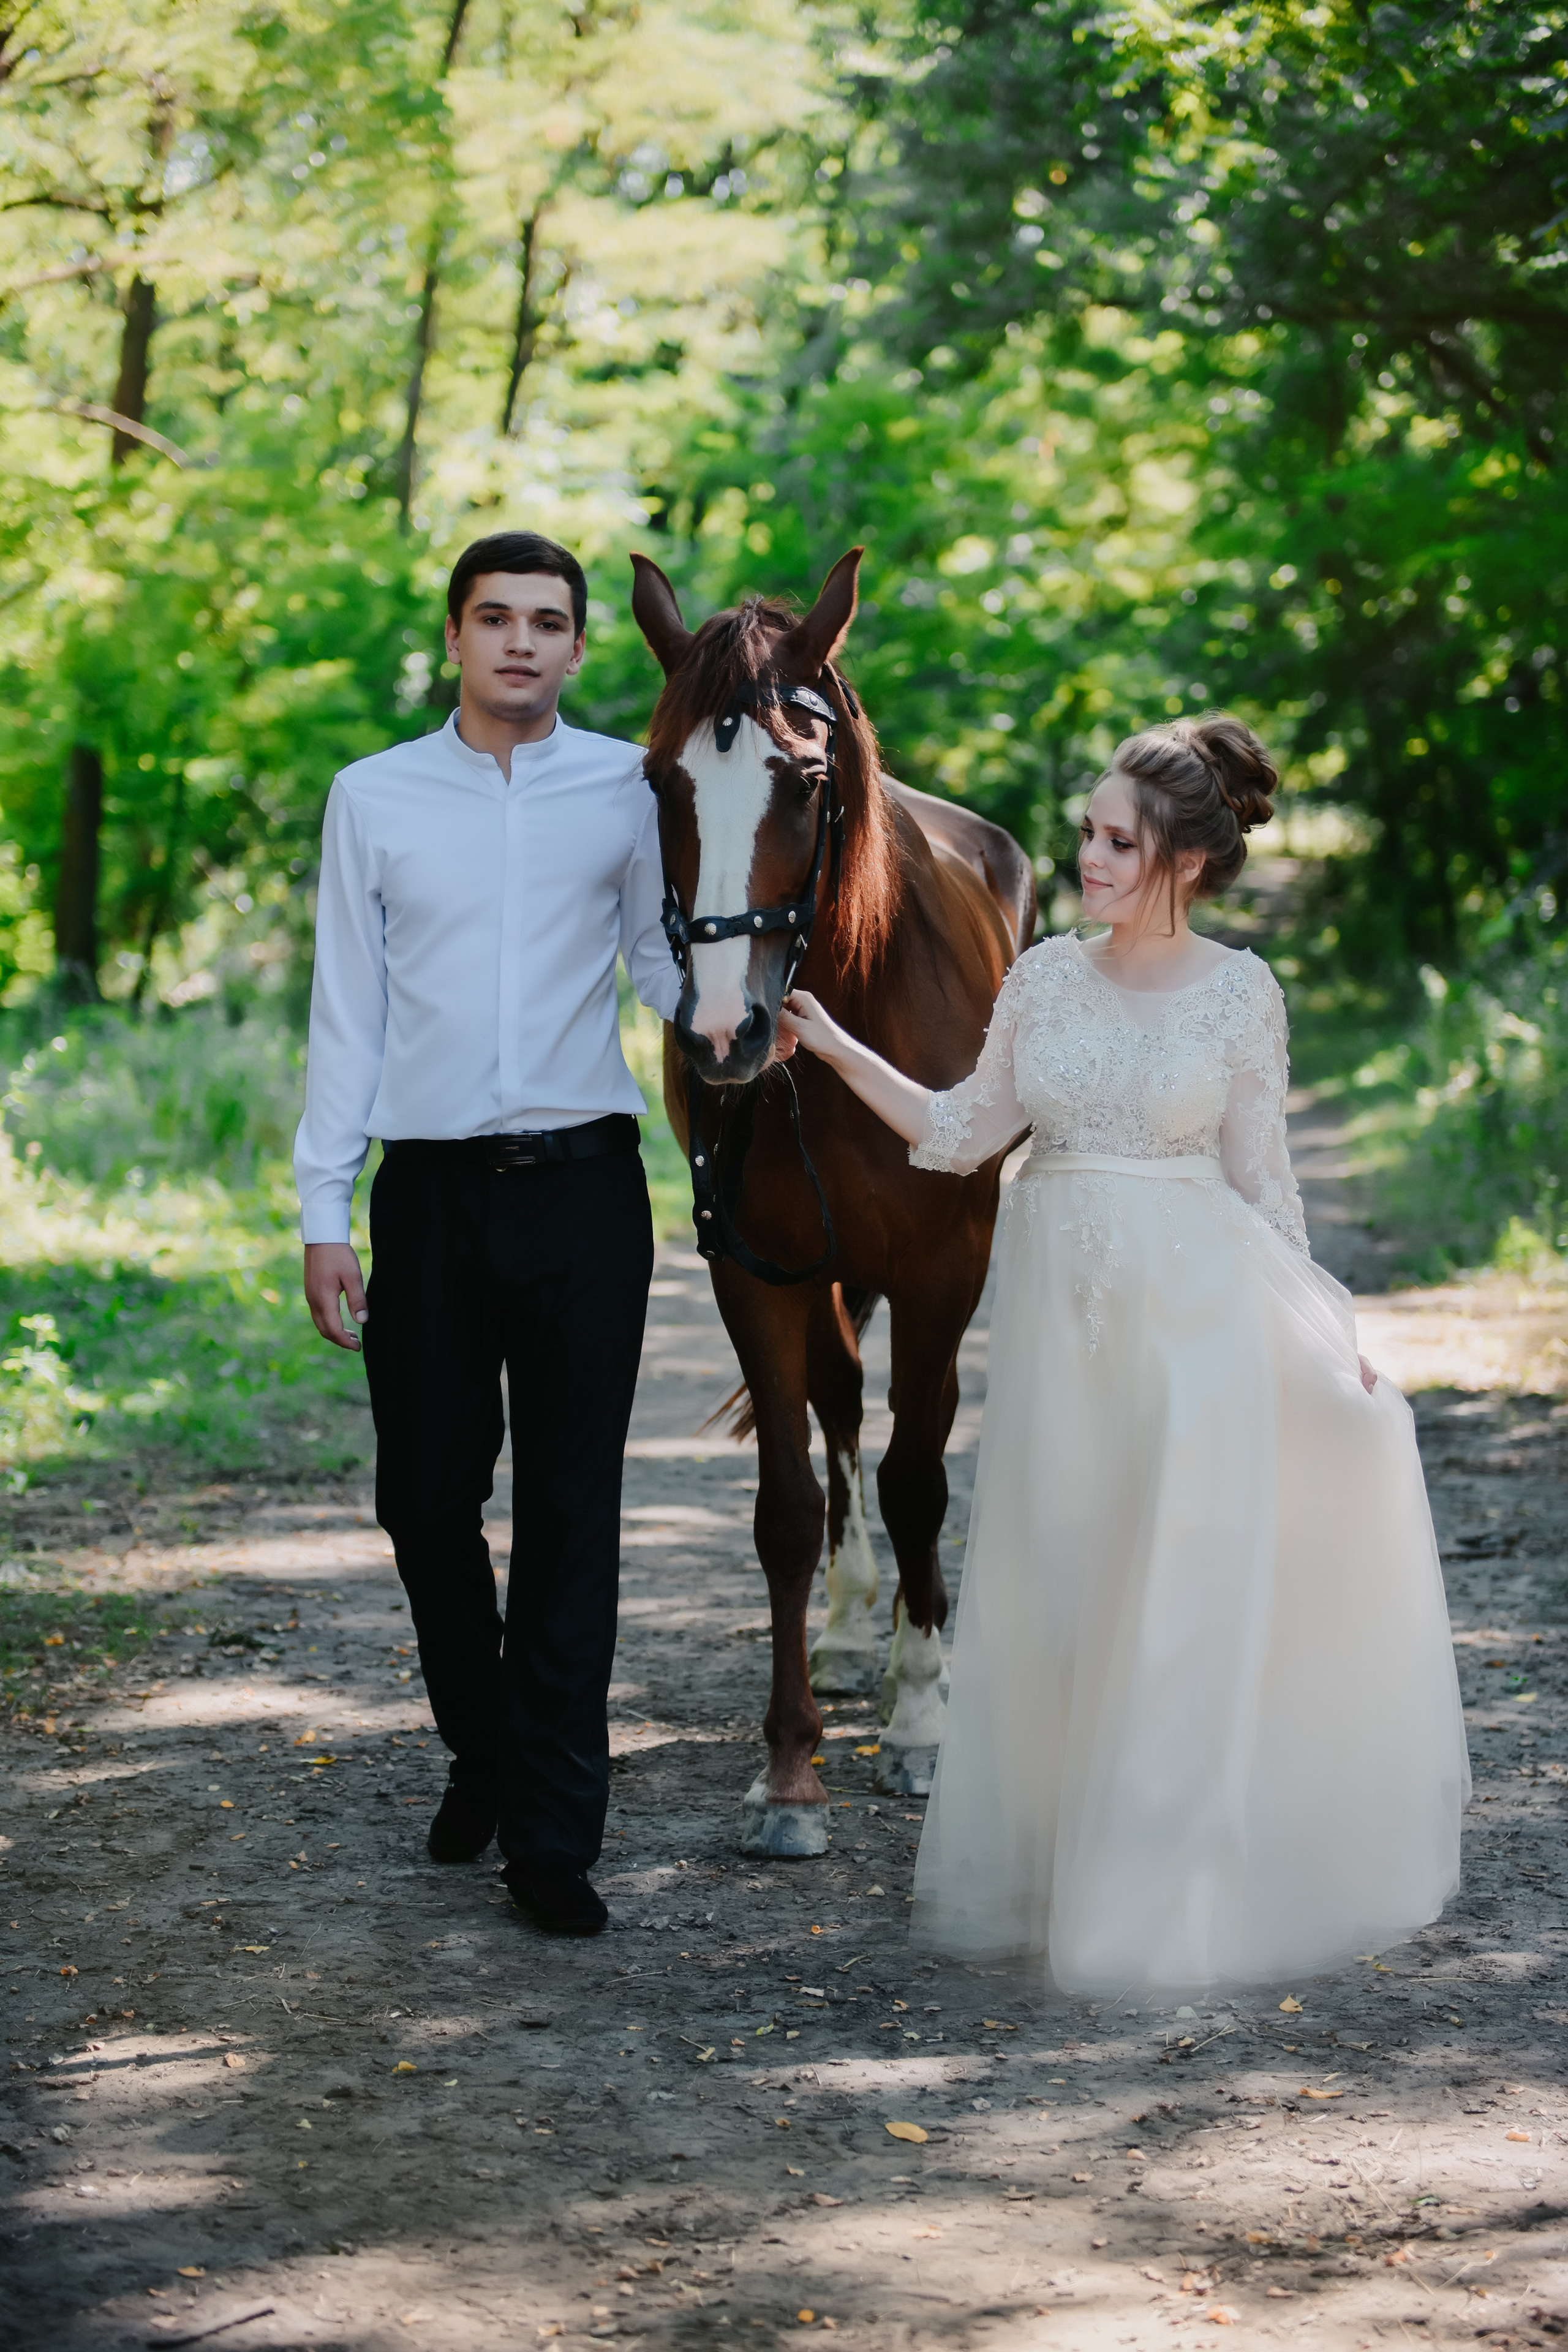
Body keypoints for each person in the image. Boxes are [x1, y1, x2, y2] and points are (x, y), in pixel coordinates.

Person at [778, 715, 1471, 1991]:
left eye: (1114, 840)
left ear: (1185, 861)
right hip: (1062, 1349)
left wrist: (1329, 1332)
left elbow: (1262, 1184)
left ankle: (1170, 1896)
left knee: (1175, 1595)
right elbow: (954, 1131)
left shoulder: (1238, 991)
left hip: (1201, 1328)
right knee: (1066, 1587)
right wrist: (829, 1043)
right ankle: (1072, 1864)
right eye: (1086, 833)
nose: (1084, 856)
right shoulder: (1039, 976)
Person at [293, 529, 682, 1936]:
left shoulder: (629, 792)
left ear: (580, 648)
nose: (522, 642)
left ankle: (551, 1842)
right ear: (454, 637)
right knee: (422, 1498)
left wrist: (745, 994)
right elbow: (348, 1011)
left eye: (548, 622)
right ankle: (489, 1745)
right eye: (495, 618)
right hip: (433, 1194)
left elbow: (656, 963)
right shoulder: (373, 797)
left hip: (586, 1187)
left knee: (572, 1518)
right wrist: (320, 1211)